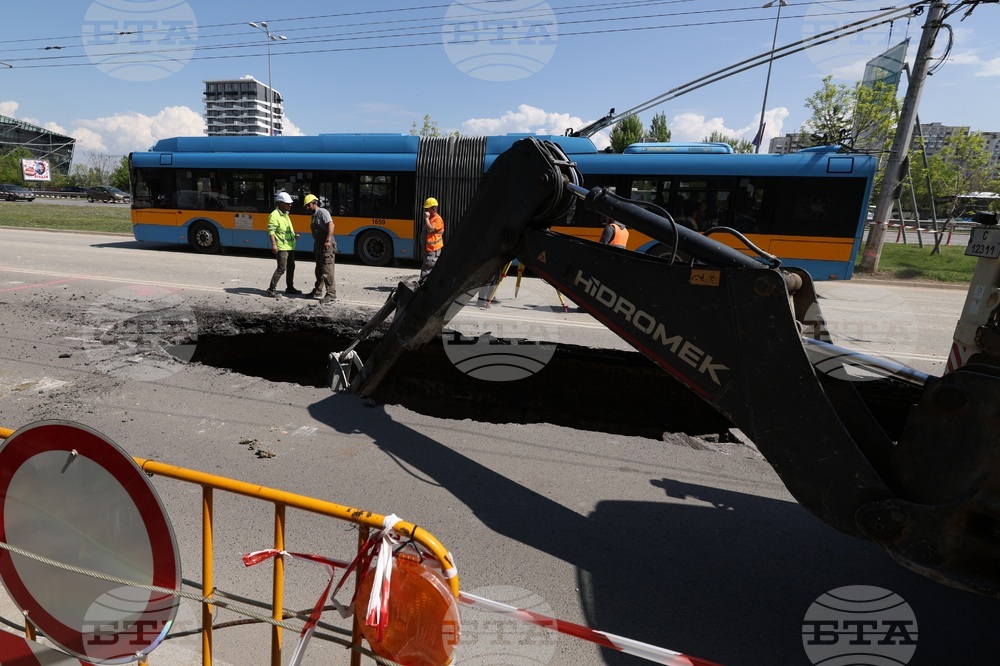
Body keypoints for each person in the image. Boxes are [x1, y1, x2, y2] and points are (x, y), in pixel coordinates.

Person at [265, 192, 301, 297]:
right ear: (281, 203)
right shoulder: (274, 215)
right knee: (281, 268)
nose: (290, 205)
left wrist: (294, 235)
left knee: (291, 267)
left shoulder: (285, 214)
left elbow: (286, 229)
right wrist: (274, 245)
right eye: (287, 203)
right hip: (281, 246)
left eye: (290, 203)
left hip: (290, 246)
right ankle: (271, 289)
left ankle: (290, 288)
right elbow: (271, 231)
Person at [304, 193, 336, 302]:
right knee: (319, 270)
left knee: (327, 270)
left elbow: (331, 225)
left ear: (315, 203)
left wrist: (328, 240)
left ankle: (331, 294)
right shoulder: (313, 216)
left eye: (309, 205)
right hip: (318, 244)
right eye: (306, 206)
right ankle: (318, 290)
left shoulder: (323, 212)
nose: (307, 208)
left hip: (326, 244)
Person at [420, 197, 444, 280]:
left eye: (427, 208)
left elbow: (430, 230)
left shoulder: (437, 219)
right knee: (427, 268)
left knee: (427, 270)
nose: (426, 210)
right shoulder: (431, 218)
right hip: (429, 250)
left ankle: (423, 288)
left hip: (433, 250)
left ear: (433, 209)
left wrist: (426, 218)